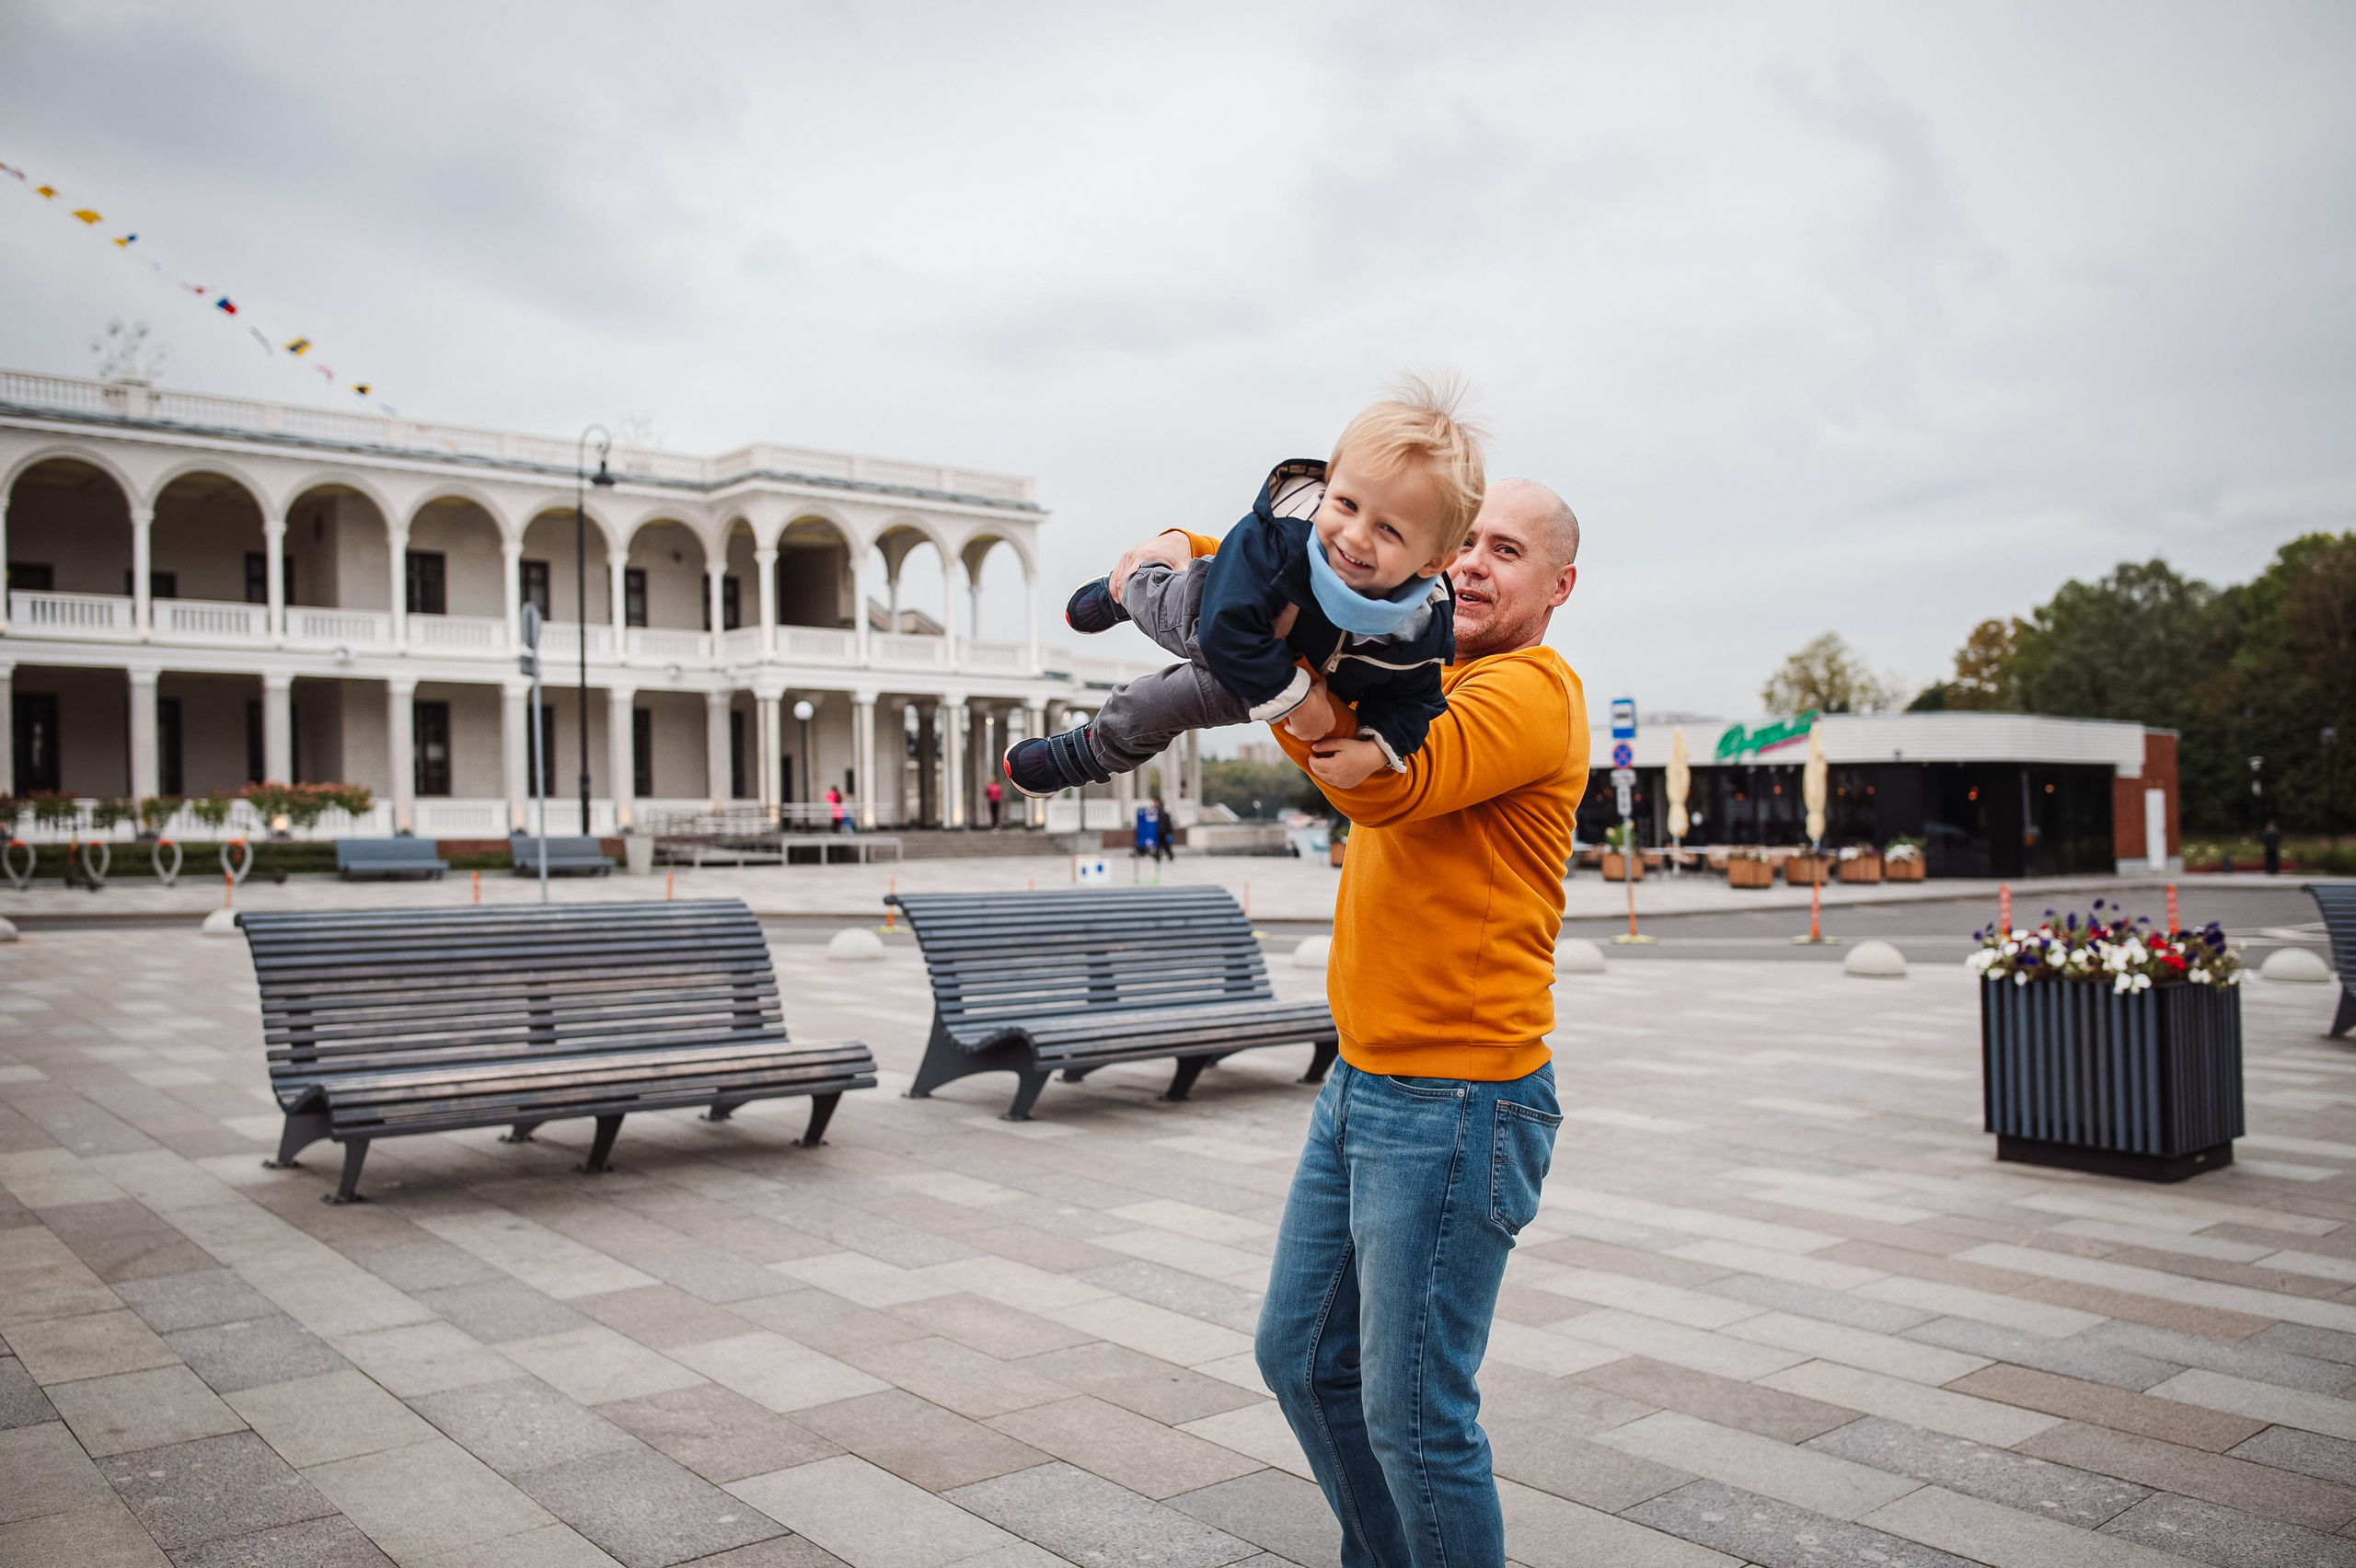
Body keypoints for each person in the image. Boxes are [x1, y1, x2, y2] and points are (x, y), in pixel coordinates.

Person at [1104, 477, 1586, 1566]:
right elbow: (1306, 567)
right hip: (1366, 1084)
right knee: (1304, 1361)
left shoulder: (1529, 690)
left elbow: (1380, 787)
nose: (1470, 564)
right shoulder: (1417, 671)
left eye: (1504, 552)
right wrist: (1198, 551)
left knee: (1416, 1416)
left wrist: (1266, 669)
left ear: (1558, 586)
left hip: (1461, 1099)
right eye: (1463, 543)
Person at [1001, 377, 1484, 798]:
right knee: (1159, 604)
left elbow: (1415, 700)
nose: (1355, 535)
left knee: (1153, 704)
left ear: (1433, 562)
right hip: (1221, 612)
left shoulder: (1421, 626)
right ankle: (1124, 590)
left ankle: (1090, 752)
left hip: (1266, 680)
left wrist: (1377, 749)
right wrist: (1297, 698)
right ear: (1329, 485)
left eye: (1389, 530)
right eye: (1348, 504)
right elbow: (1224, 632)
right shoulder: (1281, 535)